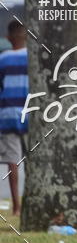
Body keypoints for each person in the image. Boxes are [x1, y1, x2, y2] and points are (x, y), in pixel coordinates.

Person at [0, 22, 29, 215]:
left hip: (8, 113)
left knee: (13, 160)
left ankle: (16, 206)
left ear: (9, 38)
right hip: (30, 112)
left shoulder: (3, 59)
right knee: (33, 157)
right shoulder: (33, 58)